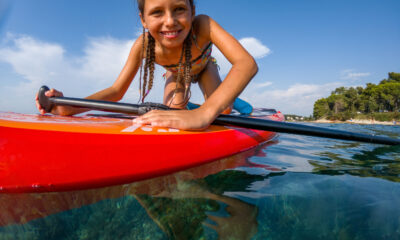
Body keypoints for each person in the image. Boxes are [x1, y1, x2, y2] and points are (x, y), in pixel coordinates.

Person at [35, 0, 258, 130]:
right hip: (177, 74)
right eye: (157, 12)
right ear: (143, 19)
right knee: (174, 113)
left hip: (205, 67)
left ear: (192, 11)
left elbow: (246, 64)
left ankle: (225, 96)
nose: (170, 21)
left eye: (179, 8)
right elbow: (116, 91)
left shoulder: (204, 25)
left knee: (223, 110)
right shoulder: (143, 45)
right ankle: (192, 105)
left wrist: (205, 113)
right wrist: (68, 107)